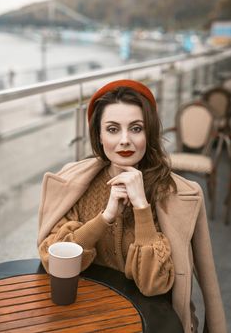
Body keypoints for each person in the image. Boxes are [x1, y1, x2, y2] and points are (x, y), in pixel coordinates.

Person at [38, 79, 226, 333]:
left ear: (148, 133)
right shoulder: (76, 183)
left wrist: (141, 208)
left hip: (153, 322)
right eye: (113, 129)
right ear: (99, 136)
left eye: (136, 128)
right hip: (84, 316)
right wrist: (104, 218)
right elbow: (53, 260)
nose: (125, 140)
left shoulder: (178, 194)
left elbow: (155, 284)